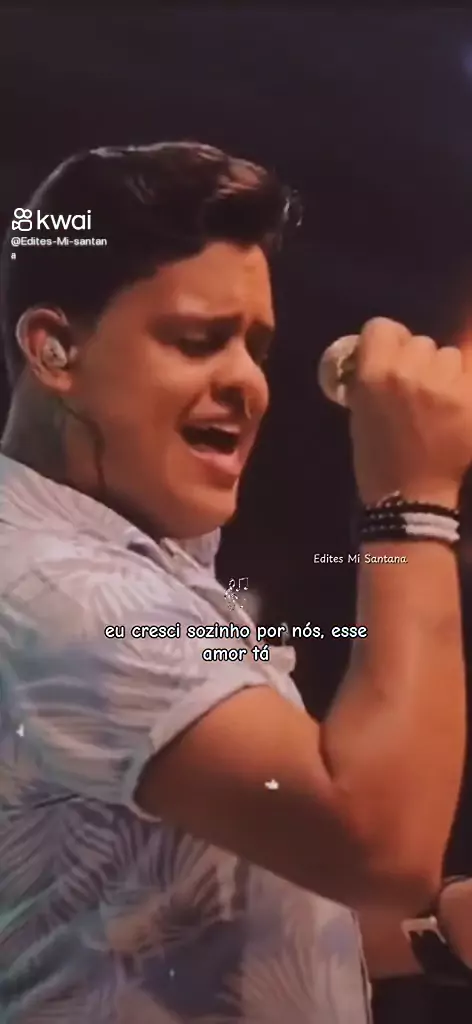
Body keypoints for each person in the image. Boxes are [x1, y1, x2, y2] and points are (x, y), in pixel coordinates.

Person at [0, 141, 471, 1024]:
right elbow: (378, 845)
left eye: (255, 347)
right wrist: (412, 503)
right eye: (198, 340)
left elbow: (176, 913)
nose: (249, 384)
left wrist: (429, 932)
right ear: (55, 349)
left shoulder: (124, 569)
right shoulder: (61, 590)